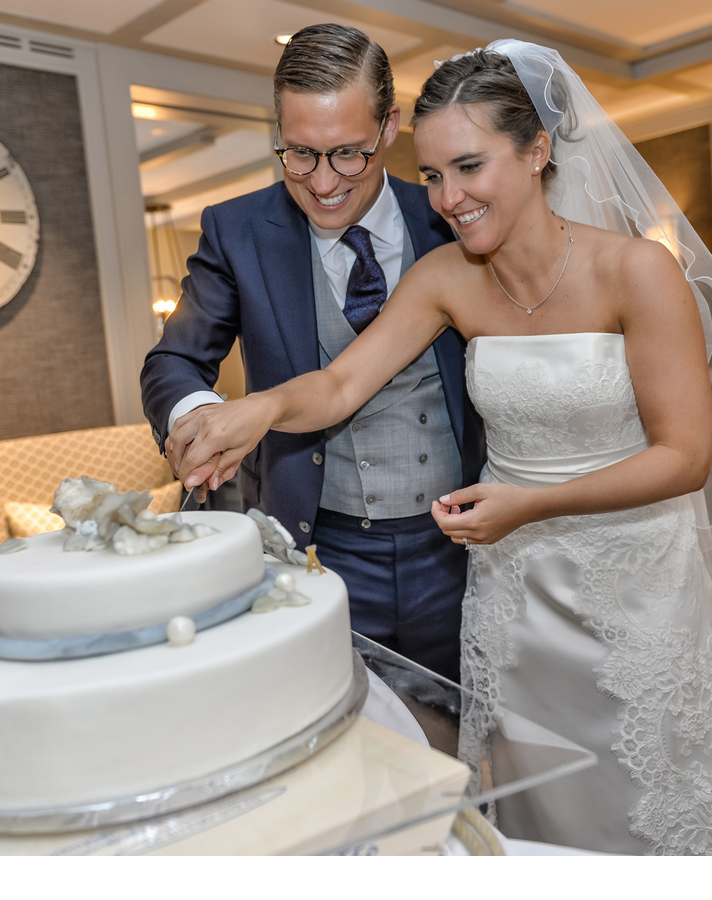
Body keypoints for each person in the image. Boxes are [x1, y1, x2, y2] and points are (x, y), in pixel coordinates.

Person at [171, 39, 712, 855]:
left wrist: (531, 503)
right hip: (516, 596)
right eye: (432, 176)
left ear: (538, 151)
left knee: (655, 791)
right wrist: (249, 411)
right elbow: (335, 387)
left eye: (469, 167)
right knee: (537, 798)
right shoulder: (445, 277)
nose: (449, 199)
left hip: (637, 583)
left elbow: (686, 456)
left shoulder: (640, 271)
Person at [141, 24, 485, 684]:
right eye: (299, 154)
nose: (323, 182)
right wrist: (206, 419)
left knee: (468, 747)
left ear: (389, 127)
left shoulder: (451, 215)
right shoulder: (236, 230)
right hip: (318, 550)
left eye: (348, 153)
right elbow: (173, 363)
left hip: (459, 548)